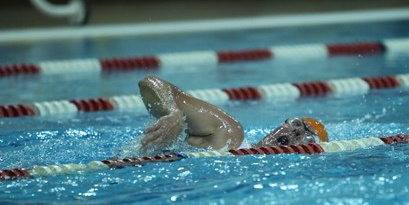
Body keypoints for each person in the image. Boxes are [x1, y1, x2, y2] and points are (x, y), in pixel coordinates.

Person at [138, 76, 329, 153]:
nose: (296, 132)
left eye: (308, 136)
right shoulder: (229, 133)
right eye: (296, 123)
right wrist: (174, 114)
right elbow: (151, 83)